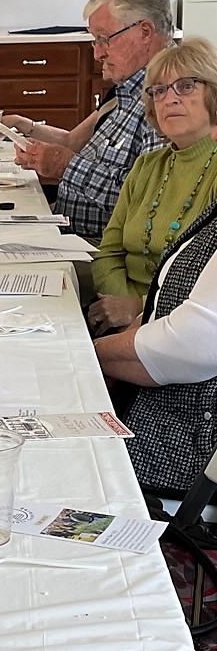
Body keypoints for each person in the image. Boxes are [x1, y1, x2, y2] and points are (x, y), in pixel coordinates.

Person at [5, 0, 172, 237]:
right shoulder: (126, 92)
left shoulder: (167, 99)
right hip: (68, 231)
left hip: (98, 248)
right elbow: (74, 142)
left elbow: (147, 203)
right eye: (95, 40)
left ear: (145, 32)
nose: (98, 53)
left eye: (105, 39)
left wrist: (66, 166)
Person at [88, 38, 217, 334]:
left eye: (185, 86)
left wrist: (140, 308)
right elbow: (108, 253)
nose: (169, 99)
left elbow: (208, 285)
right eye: (158, 91)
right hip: (117, 318)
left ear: (213, 93)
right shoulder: (146, 166)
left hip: (182, 327)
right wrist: (120, 310)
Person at [95, 198, 217, 495]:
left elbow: (194, 342)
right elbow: (163, 306)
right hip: (157, 424)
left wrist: (89, 355)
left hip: (183, 453)